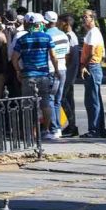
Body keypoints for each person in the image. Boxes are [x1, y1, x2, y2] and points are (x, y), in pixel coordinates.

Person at [11, 13, 60, 139]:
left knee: (27, 104)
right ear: (40, 24)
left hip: (28, 75)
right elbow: (53, 56)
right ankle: (46, 131)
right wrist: (56, 70)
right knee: (45, 103)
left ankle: (29, 133)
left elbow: (14, 58)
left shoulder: (22, 39)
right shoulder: (47, 38)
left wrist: (18, 71)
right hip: (43, 75)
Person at [80, 9, 106, 138]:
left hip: (92, 67)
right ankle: (99, 129)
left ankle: (94, 130)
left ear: (92, 19)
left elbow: (90, 52)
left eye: (86, 17)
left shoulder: (93, 33)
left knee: (92, 100)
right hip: (93, 67)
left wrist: (83, 66)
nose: (84, 19)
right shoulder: (92, 33)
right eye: (83, 17)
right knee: (94, 99)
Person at [44, 11, 70, 139]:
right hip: (62, 68)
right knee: (57, 100)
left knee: (49, 99)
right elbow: (67, 53)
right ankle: (58, 128)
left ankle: (54, 129)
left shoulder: (46, 35)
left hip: (51, 69)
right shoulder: (64, 36)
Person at [59, 13, 80, 137]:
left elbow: (69, 56)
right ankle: (72, 126)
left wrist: (64, 67)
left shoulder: (68, 36)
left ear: (66, 23)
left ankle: (72, 125)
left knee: (63, 98)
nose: (58, 24)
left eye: (60, 22)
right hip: (71, 72)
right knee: (69, 100)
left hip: (68, 72)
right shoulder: (72, 36)